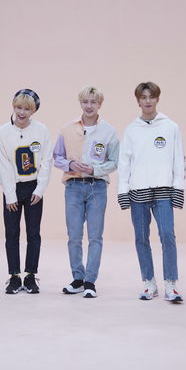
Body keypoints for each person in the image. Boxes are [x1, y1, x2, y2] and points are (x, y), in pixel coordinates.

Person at [117, 82, 186, 303]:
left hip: (164, 190)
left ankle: (171, 284)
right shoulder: (131, 130)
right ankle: (149, 283)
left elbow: (178, 160)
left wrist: (178, 189)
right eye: (143, 97)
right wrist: (123, 191)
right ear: (138, 101)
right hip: (138, 192)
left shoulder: (171, 127)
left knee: (167, 235)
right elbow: (124, 163)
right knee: (141, 238)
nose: (148, 101)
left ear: (157, 99)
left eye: (151, 97)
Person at [53, 86, 119, 298]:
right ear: (80, 103)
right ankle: (78, 278)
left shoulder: (109, 131)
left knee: (95, 237)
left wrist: (94, 169)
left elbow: (114, 161)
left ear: (100, 104)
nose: (89, 106)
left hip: (97, 187)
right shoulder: (67, 129)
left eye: (93, 102)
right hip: (73, 186)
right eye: (85, 102)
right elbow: (57, 157)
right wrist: (70, 164)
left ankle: (90, 281)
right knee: (74, 236)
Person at [0, 89, 52, 294]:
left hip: (33, 188)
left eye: (27, 109)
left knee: (33, 233)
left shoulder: (42, 130)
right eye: (18, 107)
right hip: (12, 187)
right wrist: (10, 195)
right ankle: (14, 276)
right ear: (13, 107)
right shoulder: (2, 132)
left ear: (33, 110)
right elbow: (4, 165)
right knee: (12, 233)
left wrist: (40, 189)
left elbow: (46, 161)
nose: (22, 112)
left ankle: (30, 276)